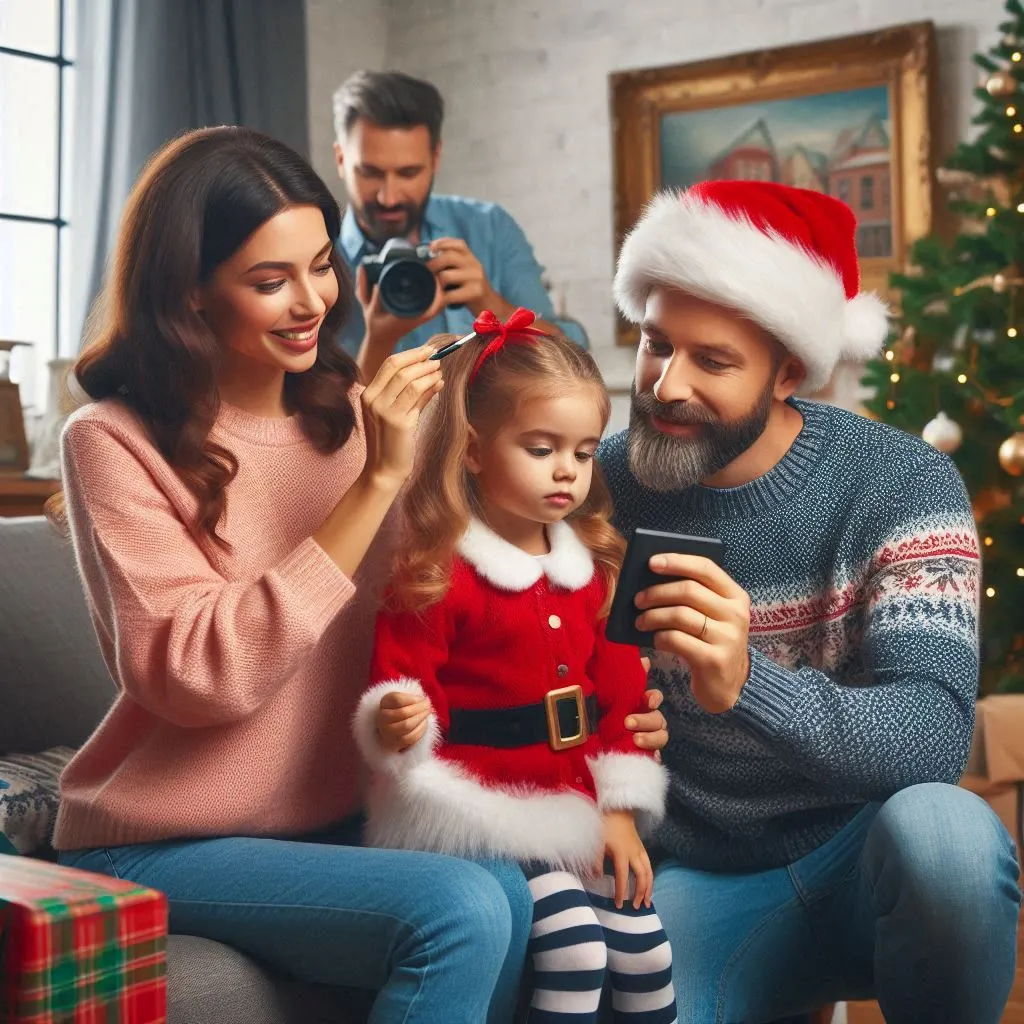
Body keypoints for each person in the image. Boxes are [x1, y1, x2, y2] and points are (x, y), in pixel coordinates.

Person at [48, 126, 669, 1023]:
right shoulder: (111, 441)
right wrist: (378, 479)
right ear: (188, 291)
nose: (311, 302)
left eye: (320, 266)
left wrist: (598, 715)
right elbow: (198, 676)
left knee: (518, 894)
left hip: (346, 816)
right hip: (165, 837)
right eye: (270, 281)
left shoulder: (353, 409)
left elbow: (456, 609)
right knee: (459, 907)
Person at [597, 179, 1021, 1023]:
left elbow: (932, 739)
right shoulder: (603, 484)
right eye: (655, 345)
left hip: (860, 859)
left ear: (789, 371)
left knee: (950, 837)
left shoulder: (901, 484)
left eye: (712, 361)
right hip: (699, 876)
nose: (666, 385)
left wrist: (747, 683)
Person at [352, 311, 677, 1024]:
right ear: (473, 449)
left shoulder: (593, 570)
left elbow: (623, 701)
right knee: (576, 951)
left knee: (648, 955)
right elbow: (399, 688)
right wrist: (397, 719)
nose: (568, 470)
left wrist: (618, 816)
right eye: (541, 448)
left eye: (585, 452)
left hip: (581, 810)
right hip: (487, 814)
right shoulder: (437, 572)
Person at [332, 70, 587, 378]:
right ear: (341, 160)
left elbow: (571, 367)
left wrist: (489, 303)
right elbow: (326, 423)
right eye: (370, 173)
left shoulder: (489, 228)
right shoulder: (319, 260)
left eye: (408, 173)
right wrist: (379, 341)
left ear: (436, 157)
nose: (389, 197)